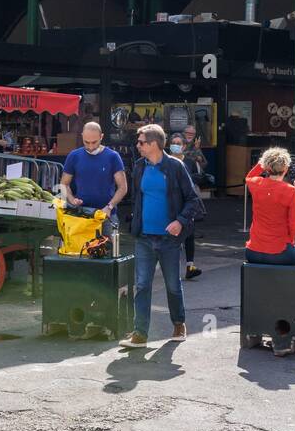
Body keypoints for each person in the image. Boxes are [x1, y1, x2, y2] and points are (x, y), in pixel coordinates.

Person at [119, 123, 205, 349]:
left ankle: (179, 324)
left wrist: (180, 221)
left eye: (141, 142)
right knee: (142, 285)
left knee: (173, 285)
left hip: (169, 239)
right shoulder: (139, 166)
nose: (137, 146)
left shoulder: (176, 167)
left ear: (154, 144)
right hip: (144, 237)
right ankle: (140, 333)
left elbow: (193, 200)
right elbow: (138, 198)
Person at [245, 147, 295, 265]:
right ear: (285, 168)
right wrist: (289, 242)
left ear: (266, 167)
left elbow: (249, 176)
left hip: (253, 251)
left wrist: (263, 162)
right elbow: (294, 224)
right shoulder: (290, 191)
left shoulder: (256, 184)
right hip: (279, 250)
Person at [61, 122, 127, 219]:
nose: (90, 147)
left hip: (106, 215)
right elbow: (64, 184)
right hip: (82, 214)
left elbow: (123, 187)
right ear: (82, 136)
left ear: (101, 137)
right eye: (86, 142)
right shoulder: (74, 156)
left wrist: (109, 207)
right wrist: (72, 200)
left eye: (94, 142)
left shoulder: (113, 156)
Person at [169, 131, 206, 281]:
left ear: (184, 146)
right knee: (172, 234)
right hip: (171, 201)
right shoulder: (165, 161)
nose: (176, 146)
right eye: (174, 143)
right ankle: (170, 266)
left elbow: (201, 173)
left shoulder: (190, 162)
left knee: (189, 233)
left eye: (179, 144)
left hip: (187, 201)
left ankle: (190, 265)